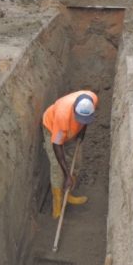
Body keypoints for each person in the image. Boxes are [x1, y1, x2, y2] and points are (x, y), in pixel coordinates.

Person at [42, 91, 98, 219]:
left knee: (76, 161)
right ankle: (57, 203)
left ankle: (68, 195)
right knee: (57, 168)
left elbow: (86, 120)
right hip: (52, 129)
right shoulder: (62, 117)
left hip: (72, 130)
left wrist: (82, 132)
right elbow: (57, 146)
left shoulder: (92, 99)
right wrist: (67, 175)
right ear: (74, 110)